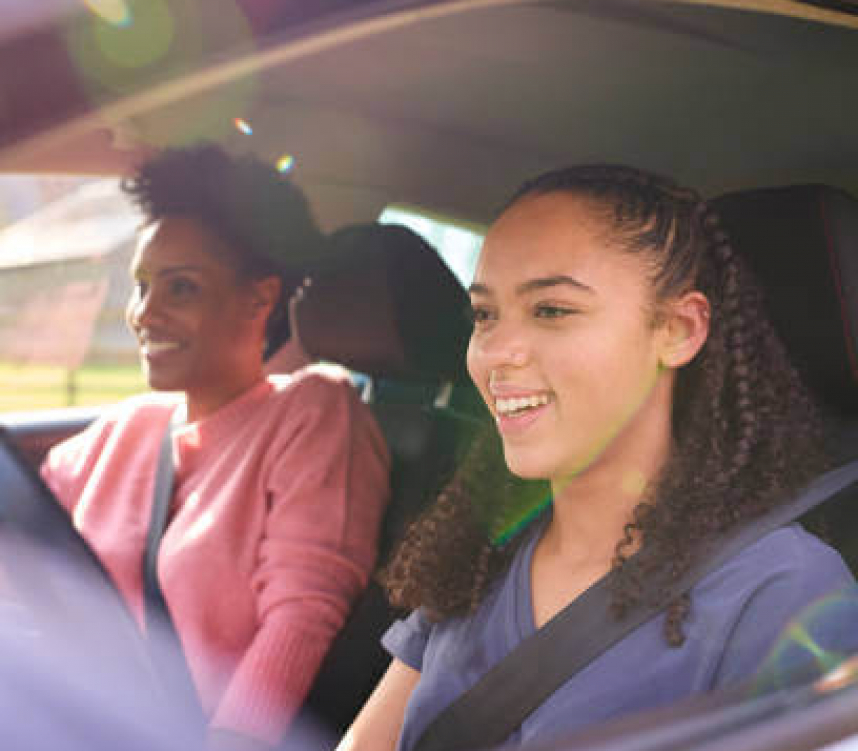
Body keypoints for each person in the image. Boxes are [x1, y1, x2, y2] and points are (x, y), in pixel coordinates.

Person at [339, 165, 858, 751]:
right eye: (485, 315)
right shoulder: (476, 554)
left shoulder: (782, 592)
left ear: (679, 330)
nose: (496, 353)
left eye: (552, 310)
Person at [41, 145, 390, 750]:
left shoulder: (313, 411)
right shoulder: (122, 431)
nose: (144, 314)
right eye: (142, 286)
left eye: (180, 290)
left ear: (259, 298)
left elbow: (303, 611)